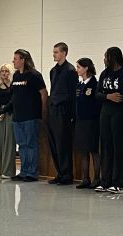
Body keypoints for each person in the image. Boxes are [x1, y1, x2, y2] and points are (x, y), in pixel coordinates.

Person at [1, 49, 48, 182]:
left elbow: (43, 93)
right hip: (18, 116)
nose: (13, 61)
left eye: (16, 59)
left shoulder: (34, 75)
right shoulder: (16, 76)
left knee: (31, 144)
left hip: (31, 116)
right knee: (22, 145)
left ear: (23, 60)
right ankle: (23, 171)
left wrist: (43, 111)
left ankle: (32, 173)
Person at [95, 47, 123, 194]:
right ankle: (106, 181)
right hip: (105, 112)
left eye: (106, 56)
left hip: (120, 113)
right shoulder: (105, 73)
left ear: (114, 57)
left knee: (118, 147)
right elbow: (97, 94)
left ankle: (120, 183)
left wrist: (111, 97)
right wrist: (108, 97)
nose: (104, 59)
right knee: (105, 146)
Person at [47, 42, 78, 185]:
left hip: (64, 110)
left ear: (64, 53)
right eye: (53, 52)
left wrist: (72, 115)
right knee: (54, 142)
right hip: (53, 109)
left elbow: (72, 94)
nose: (54, 55)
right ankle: (59, 172)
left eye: (56, 52)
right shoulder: (53, 71)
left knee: (63, 143)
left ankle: (67, 174)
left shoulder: (71, 70)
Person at [74, 58, 101, 189]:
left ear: (86, 68)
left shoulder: (94, 84)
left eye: (79, 67)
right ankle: (85, 178)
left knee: (93, 150)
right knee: (83, 150)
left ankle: (97, 178)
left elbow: (96, 103)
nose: (77, 69)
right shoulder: (79, 85)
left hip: (91, 121)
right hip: (80, 121)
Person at [0, 63, 16, 179]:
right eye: (2, 71)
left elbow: (12, 101)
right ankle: (1, 170)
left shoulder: (13, 86)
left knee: (9, 142)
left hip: (10, 114)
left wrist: (3, 110)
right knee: (0, 142)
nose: (4, 73)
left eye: (6, 71)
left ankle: (9, 171)